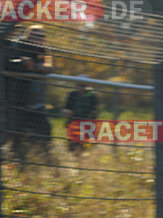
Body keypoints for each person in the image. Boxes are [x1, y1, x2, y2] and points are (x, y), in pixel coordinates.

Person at [4, 24, 53, 162]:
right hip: (18, 102)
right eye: (35, 36)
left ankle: (43, 162)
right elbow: (14, 63)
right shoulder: (18, 47)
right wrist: (24, 64)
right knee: (16, 137)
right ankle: (16, 163)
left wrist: (37, 67)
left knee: (44, 133)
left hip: (36, 103)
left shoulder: (43, 51)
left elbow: (48, 67)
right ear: (28, 36)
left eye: (41, 36)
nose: (39, 39)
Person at [64, 77, 98, 152]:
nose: (81, 88)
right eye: (79, 85)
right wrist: (68, 112)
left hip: (87, 121)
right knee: (73, 143)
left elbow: (94, 110)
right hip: (74, 121)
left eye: (83, 85)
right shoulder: (73, 94)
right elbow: (68, 107)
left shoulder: (92, 96)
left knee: (86, 142)